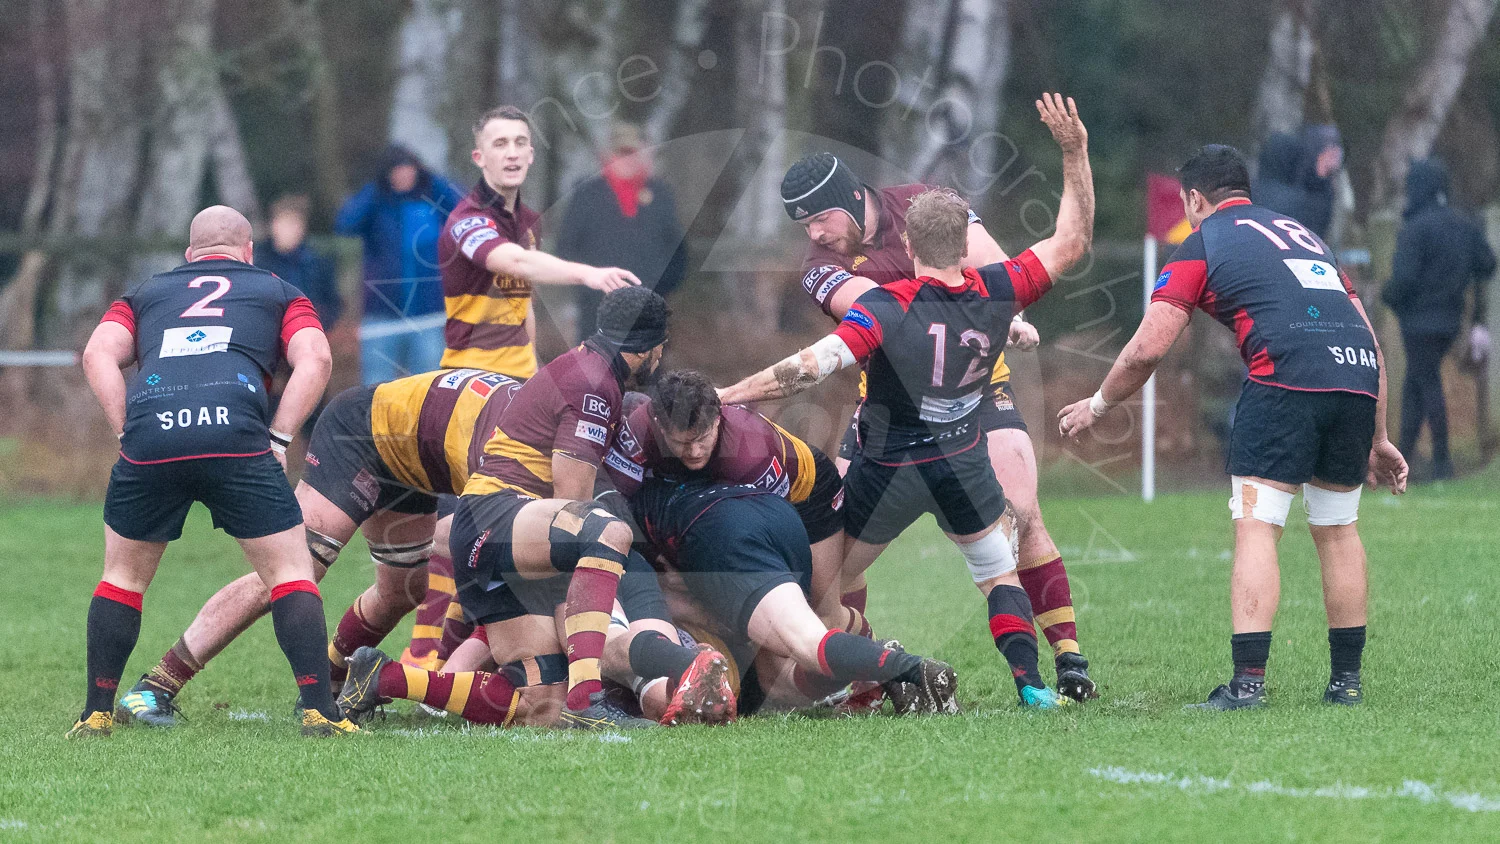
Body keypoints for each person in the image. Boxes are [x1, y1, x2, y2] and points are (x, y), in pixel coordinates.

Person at [722, 94, 1095, 710]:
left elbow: (842, 344)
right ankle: (868, 673)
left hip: (967, 395)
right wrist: (995, 304)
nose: (814, 236)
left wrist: (734, 396)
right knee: (832, 565)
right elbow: (1038, 255)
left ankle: (1068, 663)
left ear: (848, 200)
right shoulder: (825, 265)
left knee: (1024, 514)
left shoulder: (921, 210)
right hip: (894, 405)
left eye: (817, 220)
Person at [1058, 144, 1409, 710]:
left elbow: (1149, 347)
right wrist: (1379, 436)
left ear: (1195, 199)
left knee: (1257, 525)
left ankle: (1247, 686)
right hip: (1356, 378)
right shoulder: (1304, 235)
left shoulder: (1203, 241)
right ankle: (1346, 684)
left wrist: (1098, 405)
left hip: (1285, 379)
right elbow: (1367, 335)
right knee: (1338, 529)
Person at [339, 287, 734, 729]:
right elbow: (571, 504)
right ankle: (590, 701)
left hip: (492, 531)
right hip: (498, 512)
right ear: (648, 348)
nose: (661, 356)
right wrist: (586, 596)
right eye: (661, 347)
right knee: (607, 533)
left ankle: (384, 678)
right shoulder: (595, 385)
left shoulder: (590, 369)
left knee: (541, 705)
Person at [75, 206, 355, 738]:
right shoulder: (279, 290)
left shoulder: (144, 292)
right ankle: (320, 711)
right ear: (248, 251)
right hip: (236, 437)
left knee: (123, 580)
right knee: (291, 574)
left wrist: (124, 431)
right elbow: (316, 359)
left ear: (189, 255)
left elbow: (97, 355)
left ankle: (95, 714)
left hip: (152, 436)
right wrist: (278, 437)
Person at [111, 367, 522, 726]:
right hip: (360, 434)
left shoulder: (542, 428)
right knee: (294, 570)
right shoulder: (516, 446)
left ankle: (330, 679)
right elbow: (475, 540)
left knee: (404, 591)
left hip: (412, 466)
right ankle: (153, 687)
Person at [613, 475, 959, 718]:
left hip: (723, 538)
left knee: (803, 643)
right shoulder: (699, 459)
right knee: (779, 673)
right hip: (779, 517)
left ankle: (910, 669)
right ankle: (867, 667)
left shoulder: (624, 509)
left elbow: (670, 599)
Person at [605, 371, 850, 631]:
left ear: (718, 418)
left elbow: (778, 532)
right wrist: (656, 557)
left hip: (808, 496)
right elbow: (614, 501)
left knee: (816, 609)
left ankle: (871, 650)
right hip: (717, 489)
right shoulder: (641, 427)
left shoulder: (750, 455)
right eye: (680, 443)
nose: (694, 452)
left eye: (702, 438)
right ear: (659, 425)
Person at [438, 106, 639, 379]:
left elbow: (525, 304)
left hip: (519, 375)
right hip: (471, 374)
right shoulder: (467, 219)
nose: (512, 153)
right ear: (479, 158)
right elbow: (515, 262)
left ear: (530, 155)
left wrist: (532, 367)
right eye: (500, 144)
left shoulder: (529, 220)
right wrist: (587, 273)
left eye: (520, 143)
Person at [1381, 157, 1497, 480]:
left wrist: (1386, 295)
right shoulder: (1462, 224)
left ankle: (1443, 461)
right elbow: (1487, 263)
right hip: (1450, 319)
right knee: (1416, 384)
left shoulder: (1415, 229)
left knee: (1426, 381)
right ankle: (1403, 457)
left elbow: (1403, 280)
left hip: (1418, 322)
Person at [336, 145, 464, 385]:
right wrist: (374, 190)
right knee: (375, 388)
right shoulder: (376, 202)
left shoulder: (433, 198)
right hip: (381, 315)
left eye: (409, 169)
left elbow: (464, 210)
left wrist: (433, 180)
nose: (403, 175)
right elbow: (345, 223)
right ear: (387, 175)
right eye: (396, 171)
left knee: (428, 387)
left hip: (428, 313)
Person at [555, 122, 688, 340]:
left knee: (647, 370)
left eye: (632, 153)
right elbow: (567, 247)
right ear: (608, 155)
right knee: (596, 370)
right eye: (621, 152)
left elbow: (676, 250)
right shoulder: (587, 194)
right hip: (596, 311)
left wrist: (660, 292)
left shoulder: (661, 194)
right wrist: (588, 286)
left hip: (648, 310)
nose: (626, 160)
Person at [256, 195, 343, 328]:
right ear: (273, 226)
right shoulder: (258, 264)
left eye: (295, 224)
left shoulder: (318, 263)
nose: (291, 230)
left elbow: (333, 303)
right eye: (286, 223)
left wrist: (316, 324)